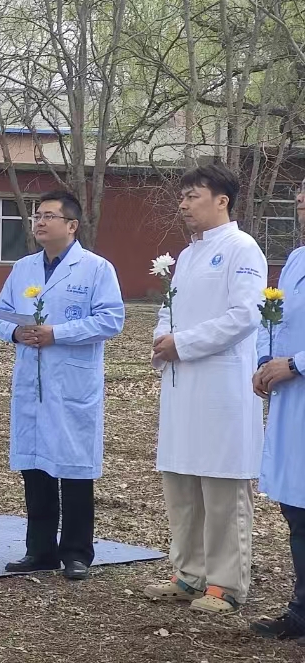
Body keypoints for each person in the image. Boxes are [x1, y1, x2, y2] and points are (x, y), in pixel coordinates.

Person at [145, 163, 267, 614]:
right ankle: (188, 573)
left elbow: (245, 316)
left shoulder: (242, 249)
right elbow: (169, 310)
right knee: (182, 483)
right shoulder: (188, 255)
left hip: (221, 387)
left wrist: (185, 343)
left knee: (221, 488)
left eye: (192, 195)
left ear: (222, 200)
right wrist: (163, 340)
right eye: (182, 196)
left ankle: (225, 583)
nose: (183, 204)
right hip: (182, 384)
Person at [0, 190, 125, 581]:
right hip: (32, 379)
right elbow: (1, 314)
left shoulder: (96, 269)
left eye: (49, 215)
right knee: (35, 467)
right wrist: (16, 332)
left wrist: (58, 333)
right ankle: (40, 550)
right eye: (37, 215)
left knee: (74, 468)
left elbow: (111, 320)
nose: (39, 221)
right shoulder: (23, 268)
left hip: (72, 382)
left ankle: (77, 553)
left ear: (71, 225)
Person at [249, 180, 305, 640]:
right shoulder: (296, 260)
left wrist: (296, 364)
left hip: (298, 378)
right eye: (300, 192)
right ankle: (301, 610)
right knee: (297, 509)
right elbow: (277, 320)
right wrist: (266, 362)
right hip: (292, 400)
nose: (300, 199)